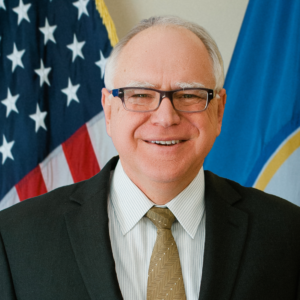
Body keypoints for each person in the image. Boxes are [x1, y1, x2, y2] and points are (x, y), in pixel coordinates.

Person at [0, 16, 300, 300]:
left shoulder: (287, 233)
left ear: (218, 110)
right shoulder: (15, 240)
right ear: (108, 109)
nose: (166, 117)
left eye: (189, 95)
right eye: (140, 95)